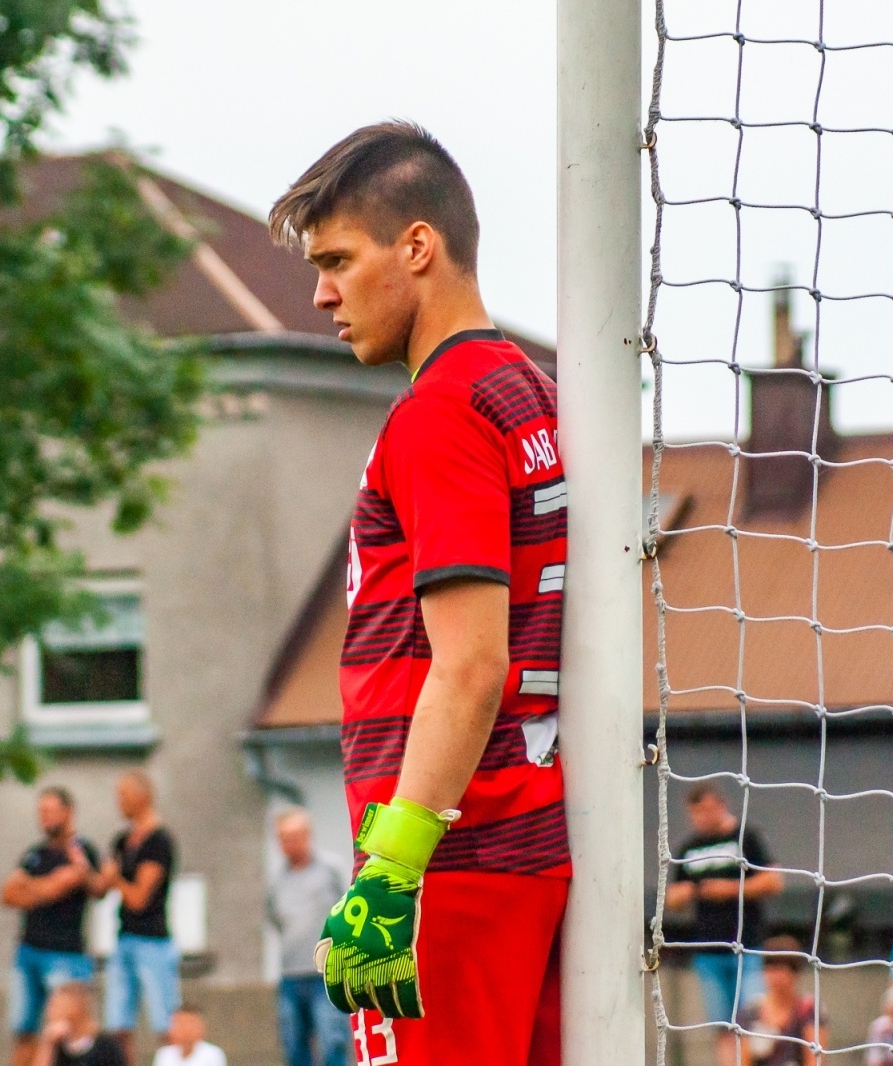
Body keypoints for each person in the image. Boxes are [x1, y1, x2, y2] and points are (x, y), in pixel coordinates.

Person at [270, 121, 570, 1066]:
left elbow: (473, 662)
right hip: (519, 845)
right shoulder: (527, 389)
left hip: (450, 861)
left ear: (417, 247)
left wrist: (392, 870)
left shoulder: (440, 413)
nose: (321, 293)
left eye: (338, 260)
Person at [665, 783, 785, 1066]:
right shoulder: (689, 848)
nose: (702, 819)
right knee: (722, 1026)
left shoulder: (746, 838)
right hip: (707, 950)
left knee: (755, 1020)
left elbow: (773, 880)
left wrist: (729, 889)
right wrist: (694, 891)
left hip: (748, 947)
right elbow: (672, 897)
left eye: (706, 811)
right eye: (696, 813)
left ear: (721, 804)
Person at [0, 787, 100, 1066]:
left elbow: (75, 886)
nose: (43, 817)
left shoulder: (82, 851)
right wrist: (48, 885)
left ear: (68, 812)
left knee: (65, 1030)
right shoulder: (35, 854)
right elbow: (8, 894)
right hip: (29, 951)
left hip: (65, 955)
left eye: (50, 810)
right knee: (24, 1031)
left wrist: (32, 888)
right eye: (40, 811)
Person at [96, 771, 177, 1063]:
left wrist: (115, 878)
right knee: (118, 1025)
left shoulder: (159, 841)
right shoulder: (122, 840)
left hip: (152, 941)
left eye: (124, 796)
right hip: (124, 938)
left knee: (166, 1024)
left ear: (142, 797)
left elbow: (139, 898)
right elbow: (102, 887)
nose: (119, 803)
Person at [266, 809, 348, 1066]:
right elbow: (274, 919)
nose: (288, 844)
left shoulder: (331, 870)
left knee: (332, 1043)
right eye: (282, 838)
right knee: (294, 1047)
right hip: (291, 976)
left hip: (326, 975)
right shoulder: (277, 879)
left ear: (307, 835)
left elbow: (348, 911)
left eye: (293, 836)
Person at [733, 936, 824, 1066]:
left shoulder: (809, 1009)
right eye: (770, 968)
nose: (774, 976)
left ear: (795, 972)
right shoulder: (750, 1010)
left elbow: (815, 1062)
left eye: (780, 969)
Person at [33, 983, 124, 1066]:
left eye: (56, 1005)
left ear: (75, 1007)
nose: (48, 1011)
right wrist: (48, 1045)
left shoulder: (106, 1047)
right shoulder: (57, 1046)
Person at [152, 1007, 225, 1066]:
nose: (185, 1029)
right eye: (179, 1024)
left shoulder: (212, 1054)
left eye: (189, 1023)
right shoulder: (164, 1054)